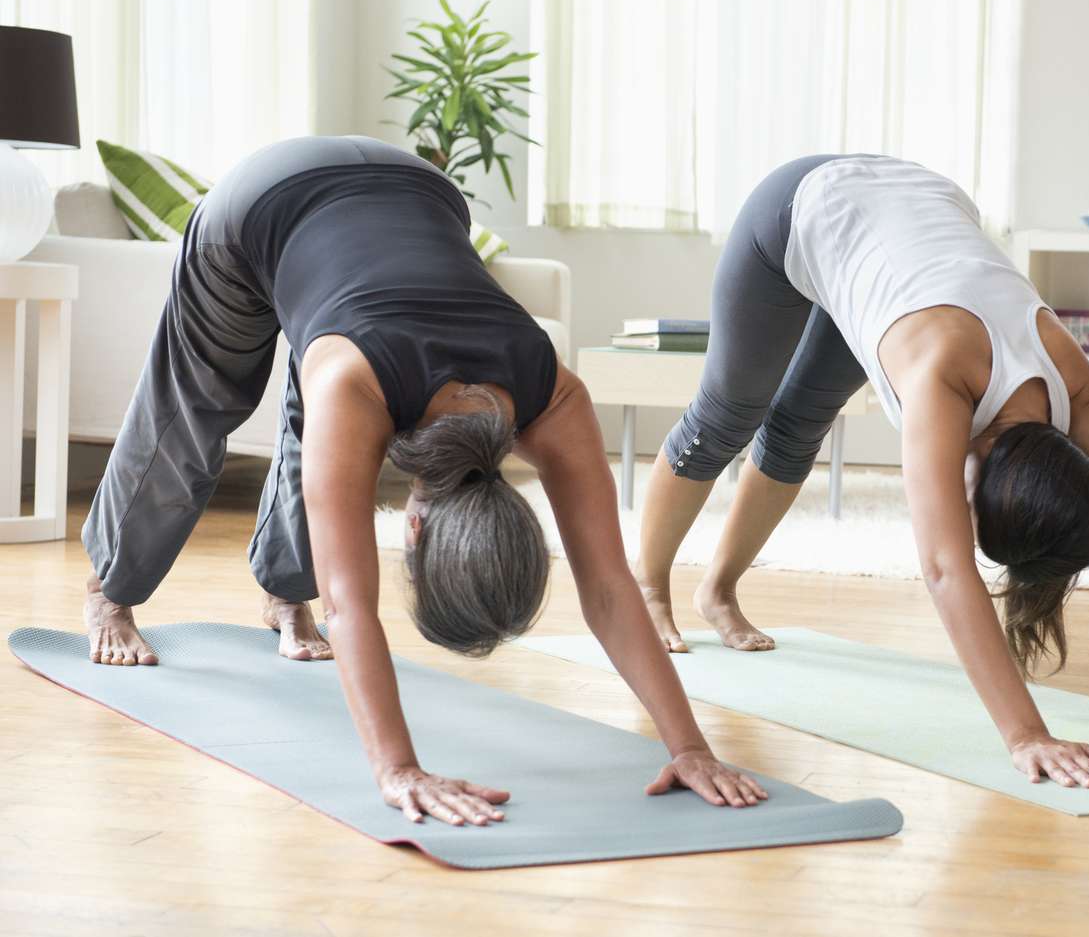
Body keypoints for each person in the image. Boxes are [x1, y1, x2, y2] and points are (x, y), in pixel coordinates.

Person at [82, 135, 767, 824]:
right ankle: (108, 589)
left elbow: (612, 587)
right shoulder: (362, 385)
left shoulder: (554, 396)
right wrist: (397, 768)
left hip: (419, 191)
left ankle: (284, 594)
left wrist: (689, 746)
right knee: (201, 406)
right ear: (412, 526)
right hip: (262, 200)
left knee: (322, 417)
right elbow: (352, 604)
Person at [635, 154, 1089, 789]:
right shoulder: (940, 378)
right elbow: (943, 566)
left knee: (798, 425)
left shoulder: (1078, 391)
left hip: (908, 229)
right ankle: (651, 584)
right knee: (730, 413)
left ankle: (717, 592)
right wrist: (1026, 735)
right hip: (803, 209)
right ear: (983, 463)